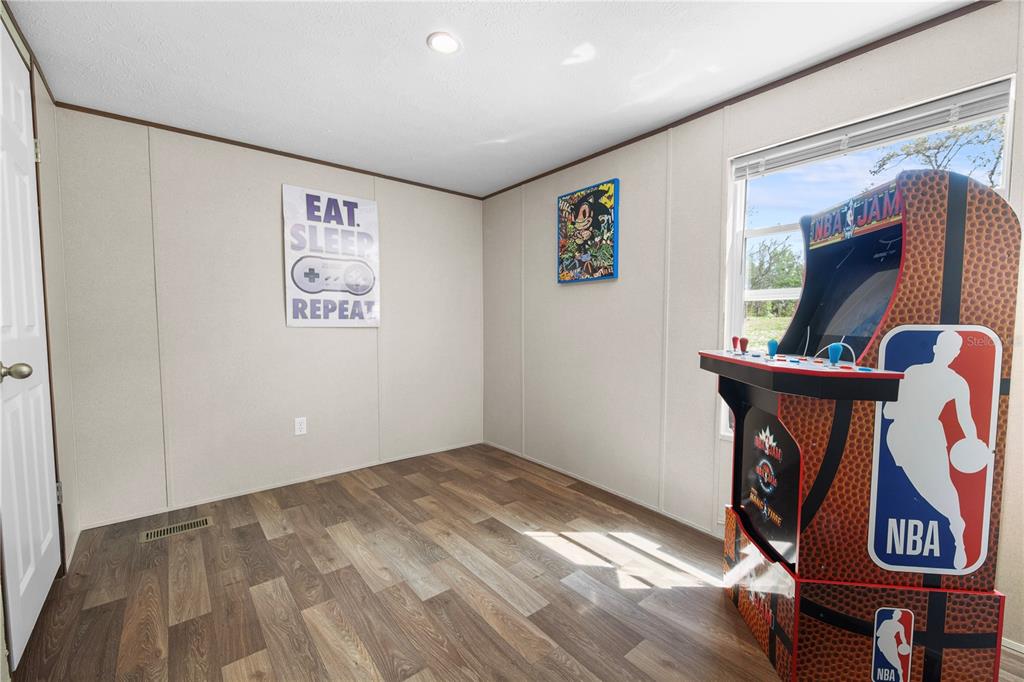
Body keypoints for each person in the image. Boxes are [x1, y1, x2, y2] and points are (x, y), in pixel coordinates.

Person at [883, 330, 976, 570]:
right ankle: (955, 520)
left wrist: (974, 442)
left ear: (956, 354)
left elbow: (966, 419)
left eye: (953, 350)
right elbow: (889, 408)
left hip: (928, 436)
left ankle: (957, 528)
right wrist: (896, 411)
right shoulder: (913, 371)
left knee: (942, 485)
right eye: (946, 347)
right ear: (936, 348)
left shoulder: (957, 382)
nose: (949, 353)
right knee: (924, 488)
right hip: (902, 436)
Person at [875, 612, 910, 682]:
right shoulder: (899, 626)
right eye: (896, 614)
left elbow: (878, 633)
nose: (896, 616)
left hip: (885, 641)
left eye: (897, 615)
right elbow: (903, 638)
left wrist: (905, 644)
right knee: (893, 658)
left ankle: (900, 672)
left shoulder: (887, 622)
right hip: (886, 642)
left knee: (893, 658)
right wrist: (905, 644)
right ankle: (900, 671)